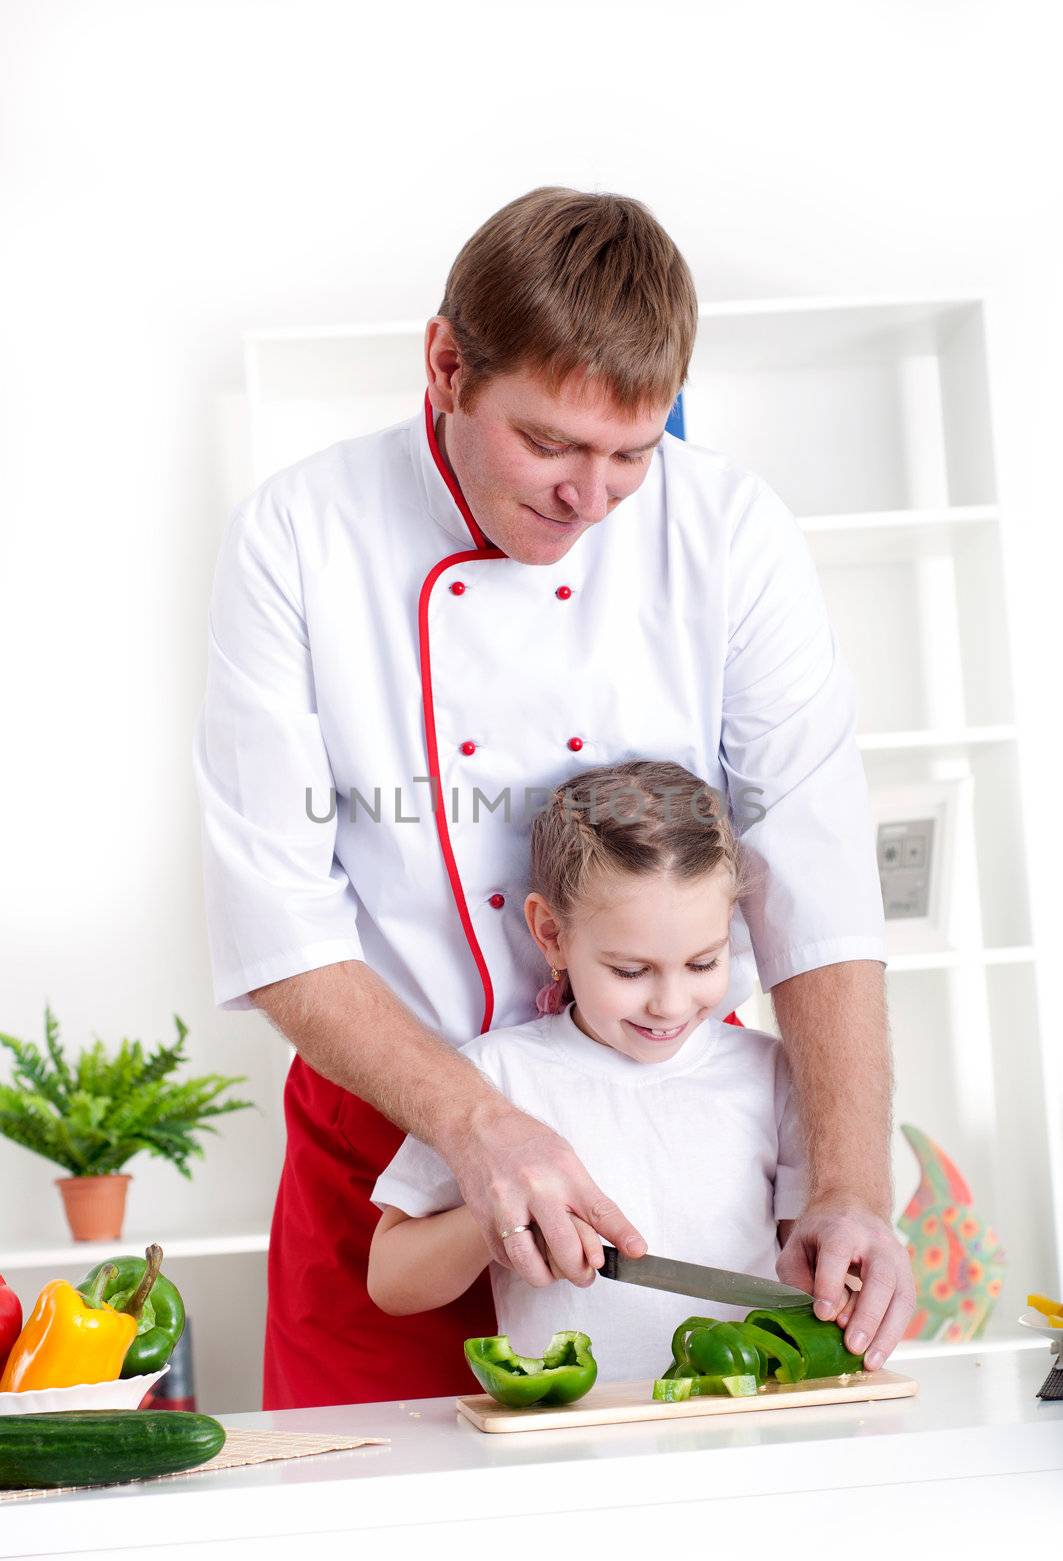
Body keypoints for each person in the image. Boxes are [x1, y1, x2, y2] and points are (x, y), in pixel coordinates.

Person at [192, 185, 914, 1408]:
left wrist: (845, 1182)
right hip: (391, 1150)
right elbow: (277, 923)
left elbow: (814, 874)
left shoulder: (729, 530)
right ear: (444, 365)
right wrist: (478, 1123)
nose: (591, 496)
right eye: (549, 444)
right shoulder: (299, 537)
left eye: (630, 454)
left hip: (664, 1135)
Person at [367, 761, 836, 1381]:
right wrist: (503, 1220)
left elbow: (807, 1261)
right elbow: (390, 1280)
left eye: (703, 963)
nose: (669, 1004)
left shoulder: (769, 1073)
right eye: (630, 971)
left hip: (740, 1417)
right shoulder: (494, 1075)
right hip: (569, 1431)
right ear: (552, 935)